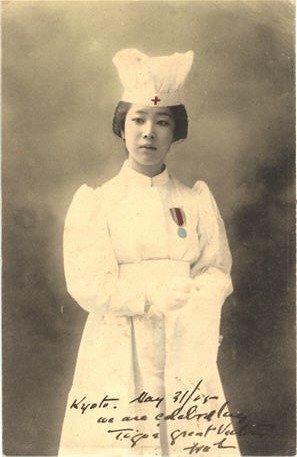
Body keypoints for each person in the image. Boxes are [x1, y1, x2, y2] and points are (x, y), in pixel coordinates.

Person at [58, 49, 241, 456]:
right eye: (138, 120)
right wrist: (149, 296)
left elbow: (216, 268)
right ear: (121, 127)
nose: (148, 133)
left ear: (176, 132)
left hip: (184, 341)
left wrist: (193, 296)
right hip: (120, 342)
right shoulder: (97, 203)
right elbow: (88, 283)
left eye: (162, 122)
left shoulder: (194, 200)